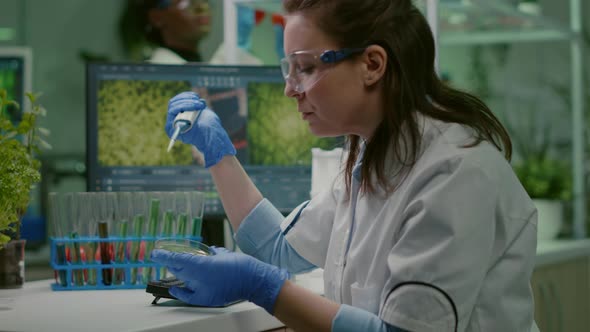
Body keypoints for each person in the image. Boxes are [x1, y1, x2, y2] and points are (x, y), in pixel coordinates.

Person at [151, 0, 539, 331]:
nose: (290, 88)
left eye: (304, 67)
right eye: (289, 68)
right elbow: (278, 249)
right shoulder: (372, 156)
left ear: (372, 64)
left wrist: (264, 288)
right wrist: (218, 154)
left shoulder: (456, 173)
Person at [118, 0, 262, 65]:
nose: (201, 6)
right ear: (157, 17)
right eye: (187, 1)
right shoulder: (156, 70)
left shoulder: (197, 64)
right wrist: (237, 46)